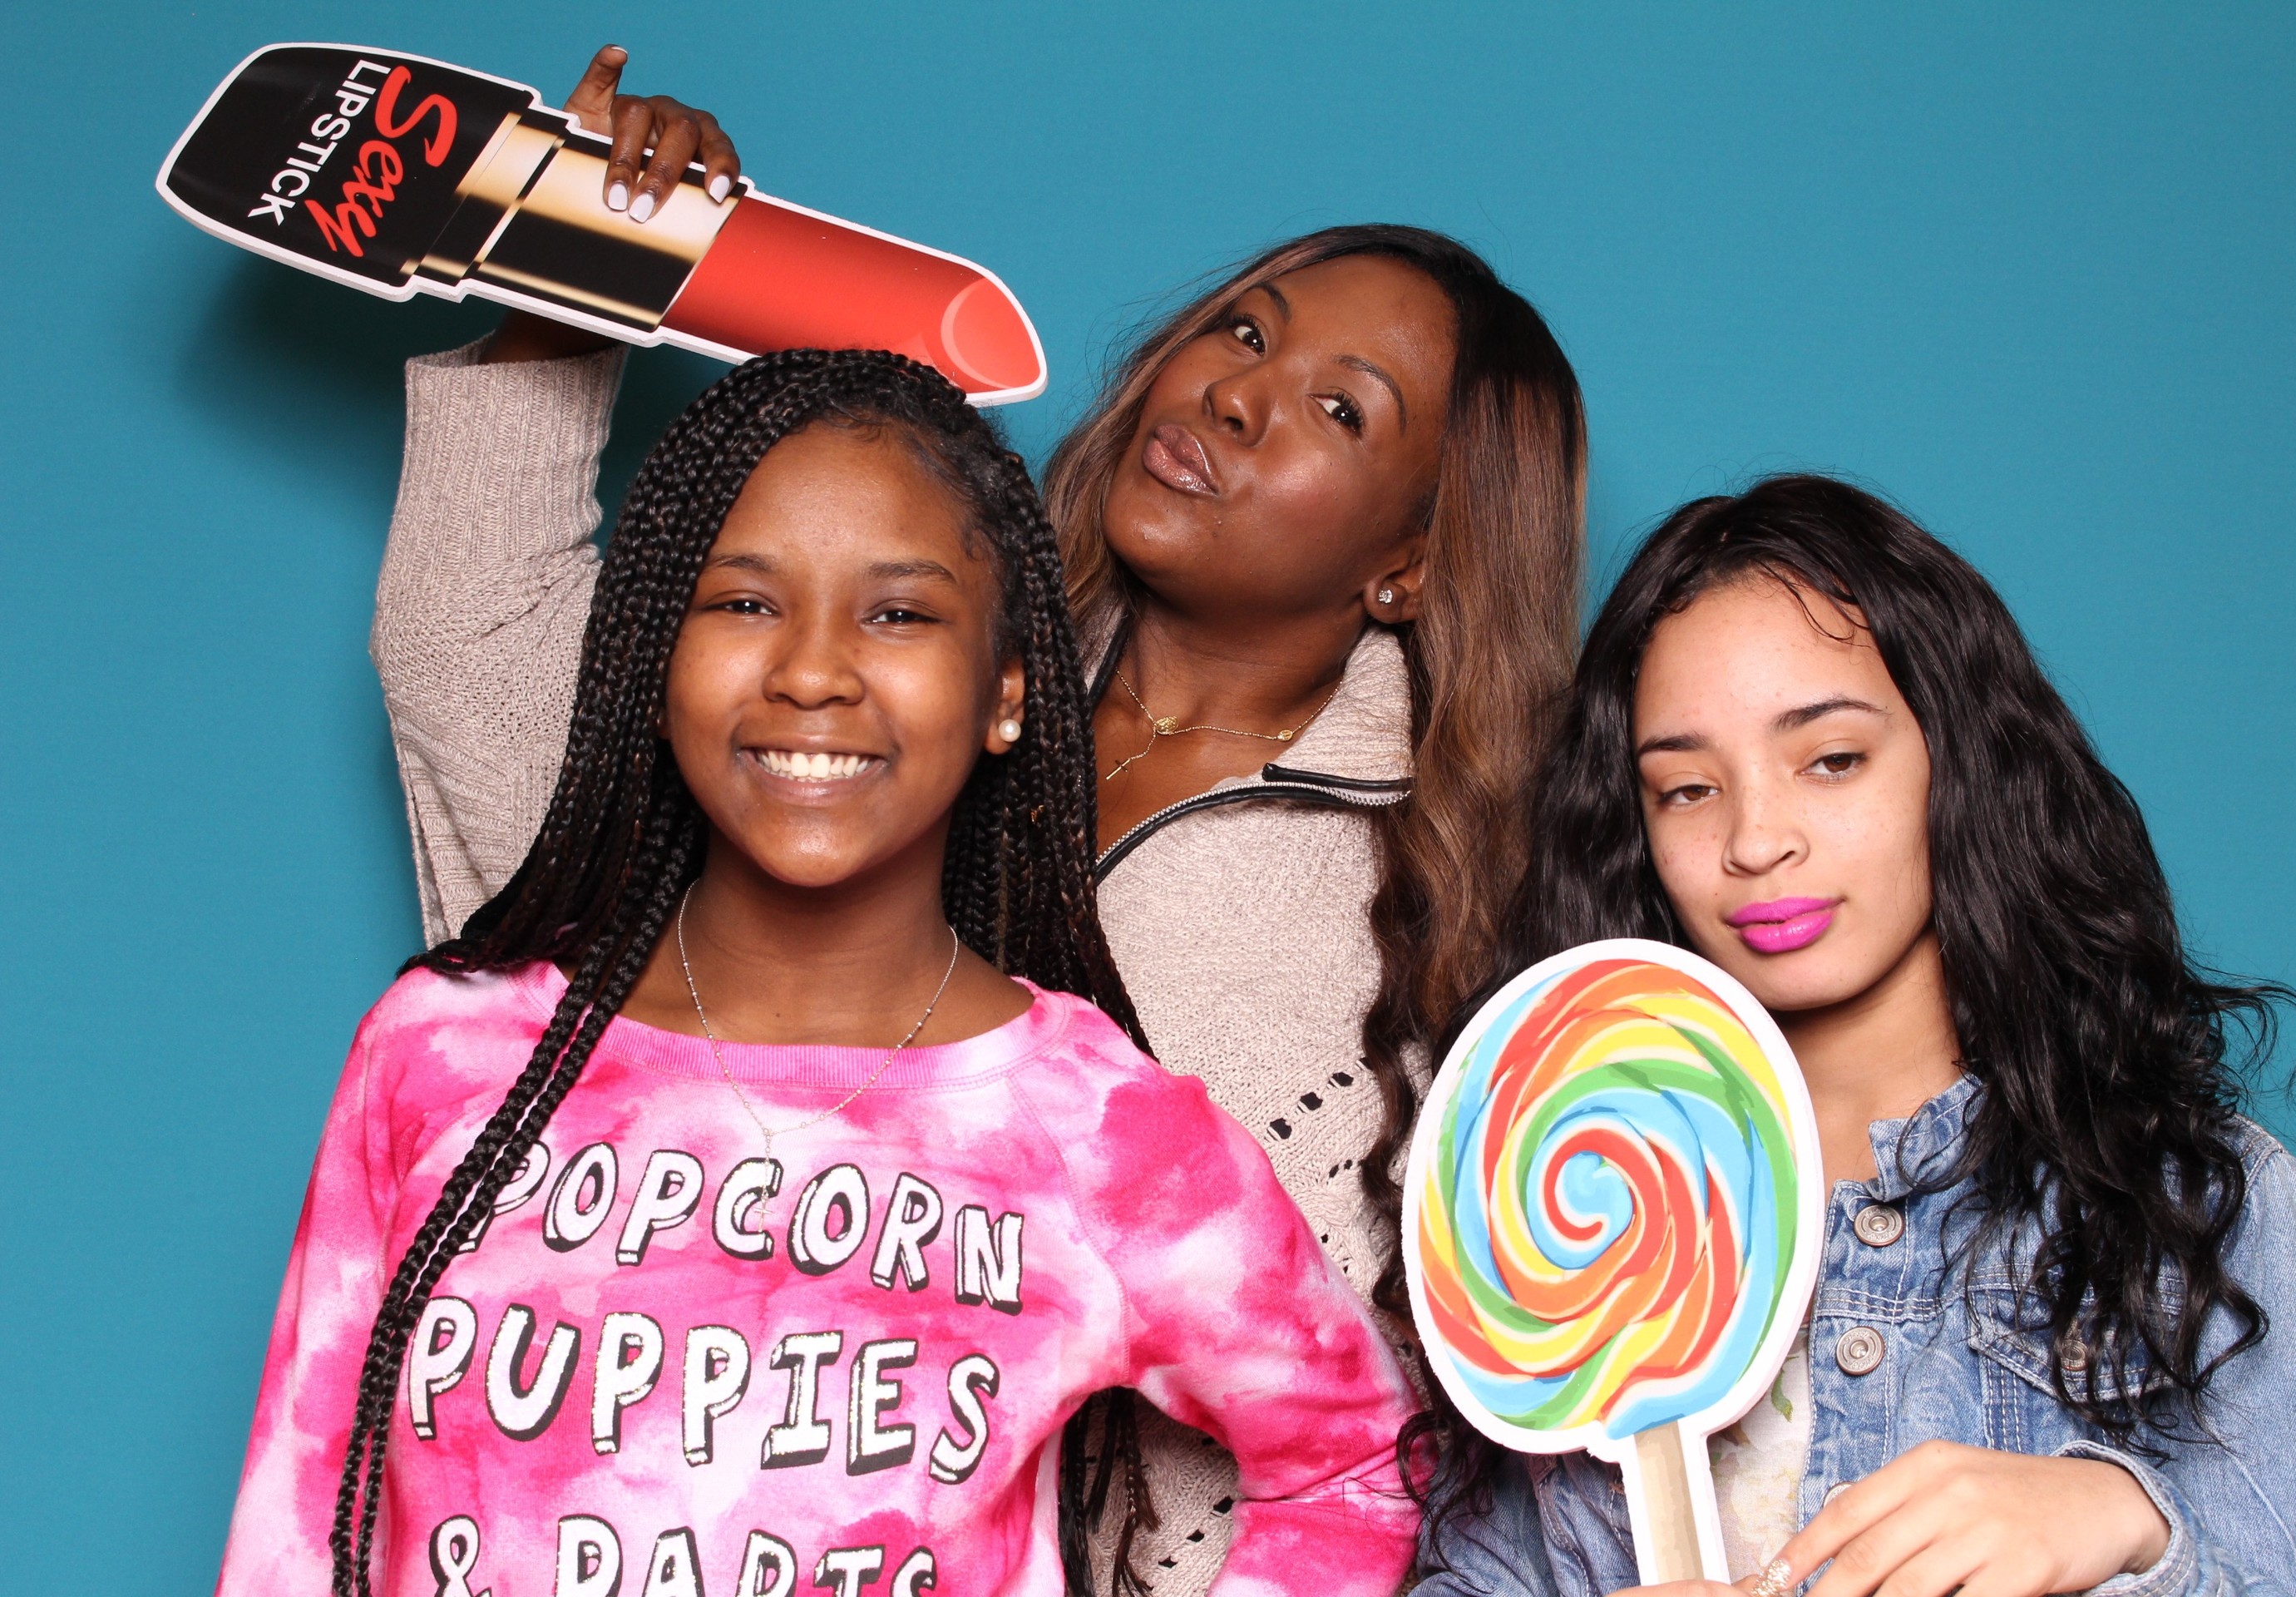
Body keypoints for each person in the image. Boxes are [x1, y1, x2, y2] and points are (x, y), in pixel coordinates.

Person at [370, 45, 1587, 1590]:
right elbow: (470, 654)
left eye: (1337, 409)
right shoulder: (886, 683)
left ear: (1411, 560)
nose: (1233, 393)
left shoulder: (1438, 904)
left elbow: (1360, 1432)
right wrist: (583, 268)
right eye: (1242, 329)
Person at [216, 351, 1420, 1597]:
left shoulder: (1095, 1128)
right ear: (654, 661)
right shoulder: (445, 1051)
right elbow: (297, 1530)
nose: (810, 672)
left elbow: (1358, 1464)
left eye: (898, 615)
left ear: (1006, 690)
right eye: (744, 604)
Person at [1413, 476, 2296, 1597]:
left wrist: (2133, 1531)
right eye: (1686, 789)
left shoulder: (2209, 1213)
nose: (1756, 840)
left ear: (1956, 761)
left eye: (1832, 760)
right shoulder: (1548, 1211)